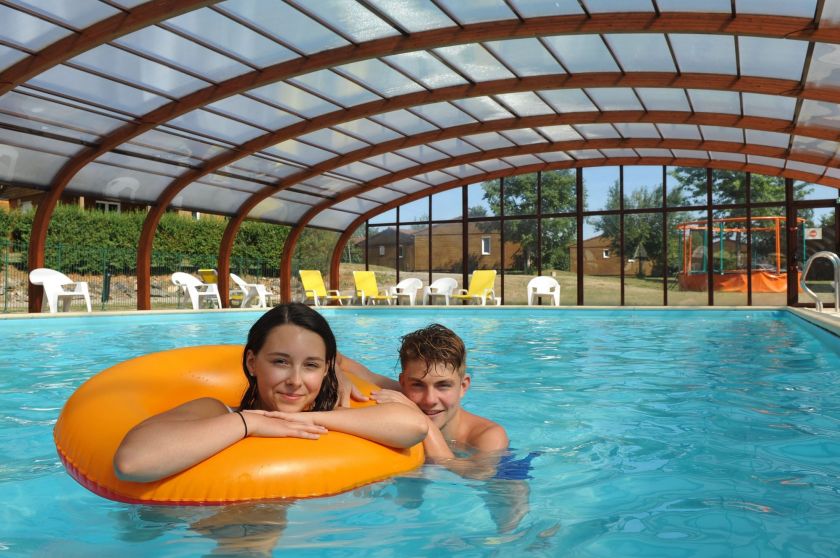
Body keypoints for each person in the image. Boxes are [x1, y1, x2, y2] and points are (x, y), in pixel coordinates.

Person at [114, 303, 428, 483]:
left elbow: (413, 426)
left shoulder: (338, 414)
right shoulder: (219, 412)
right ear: (252, 362)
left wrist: (311, 418)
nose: (295, 380)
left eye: (311, 365)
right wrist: (249, 423)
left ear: (326, 369)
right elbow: (132, 462)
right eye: (280, 362)